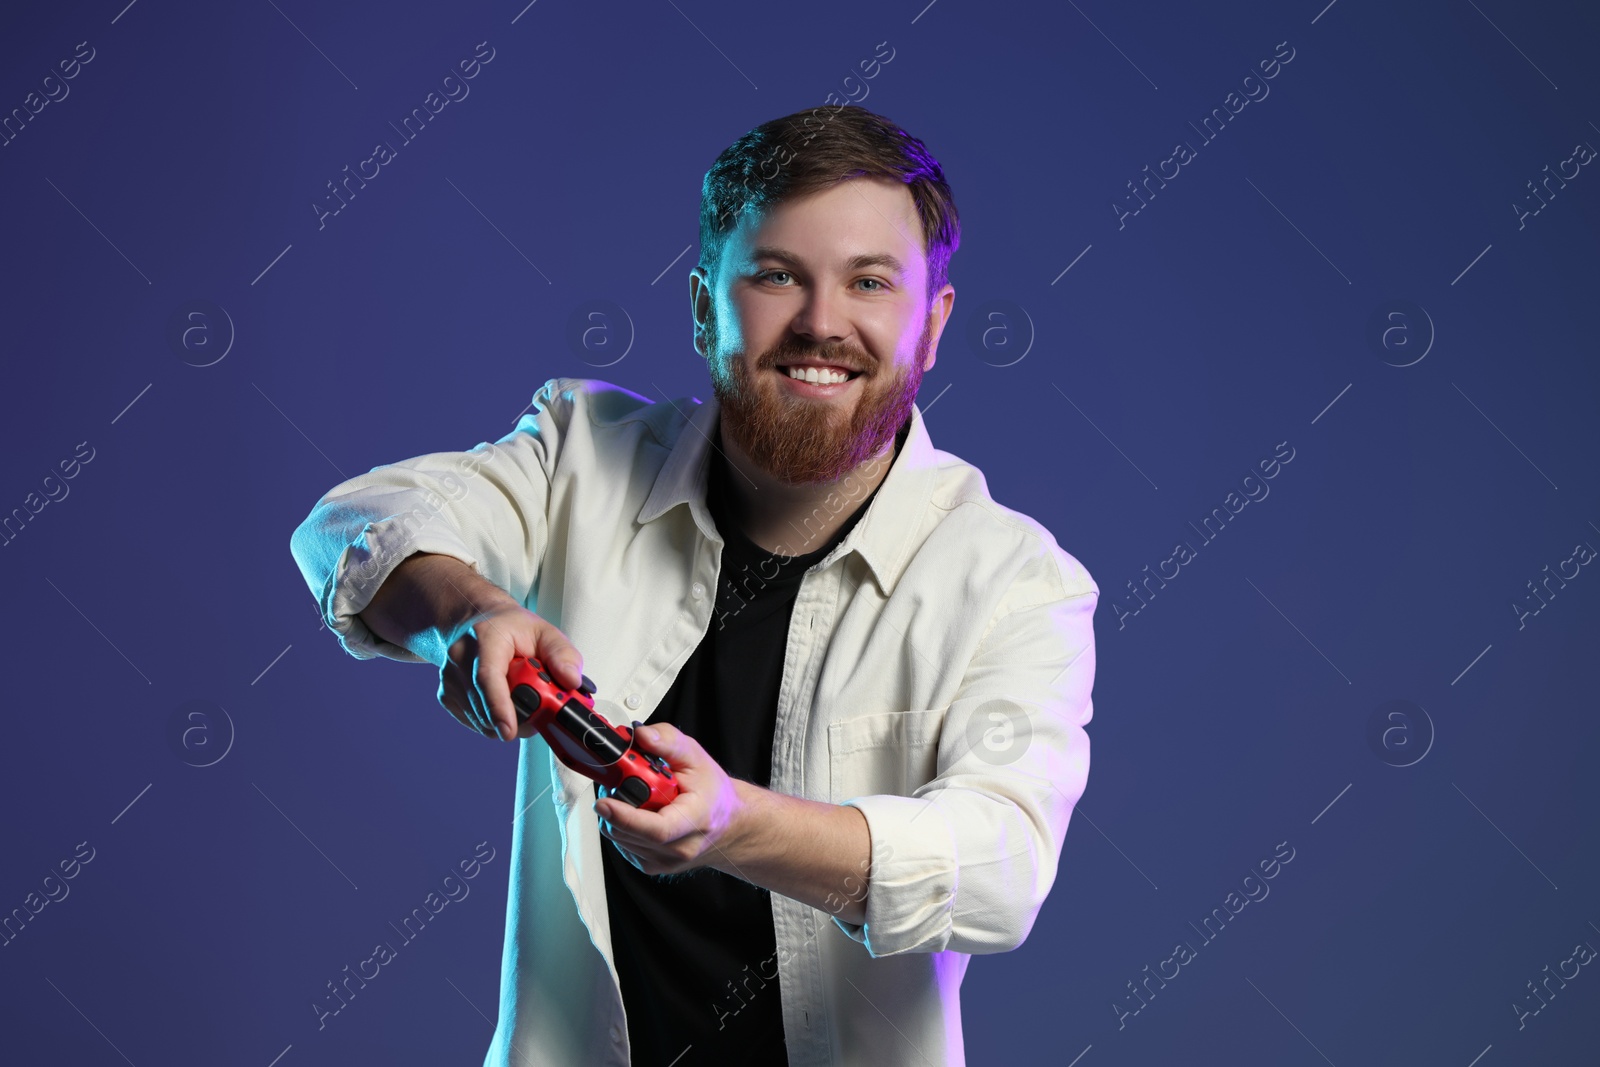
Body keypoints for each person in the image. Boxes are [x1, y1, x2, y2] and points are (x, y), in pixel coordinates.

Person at [289, 104, 1099, 1067]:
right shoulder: (579, 455)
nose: (821, 323)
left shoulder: (1016, 580)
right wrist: (471, 609)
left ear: (933, 324)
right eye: (774, 275)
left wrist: (734, 825)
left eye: (870, 282)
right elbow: (354, 523)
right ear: (703, 306)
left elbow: (1001, 867)